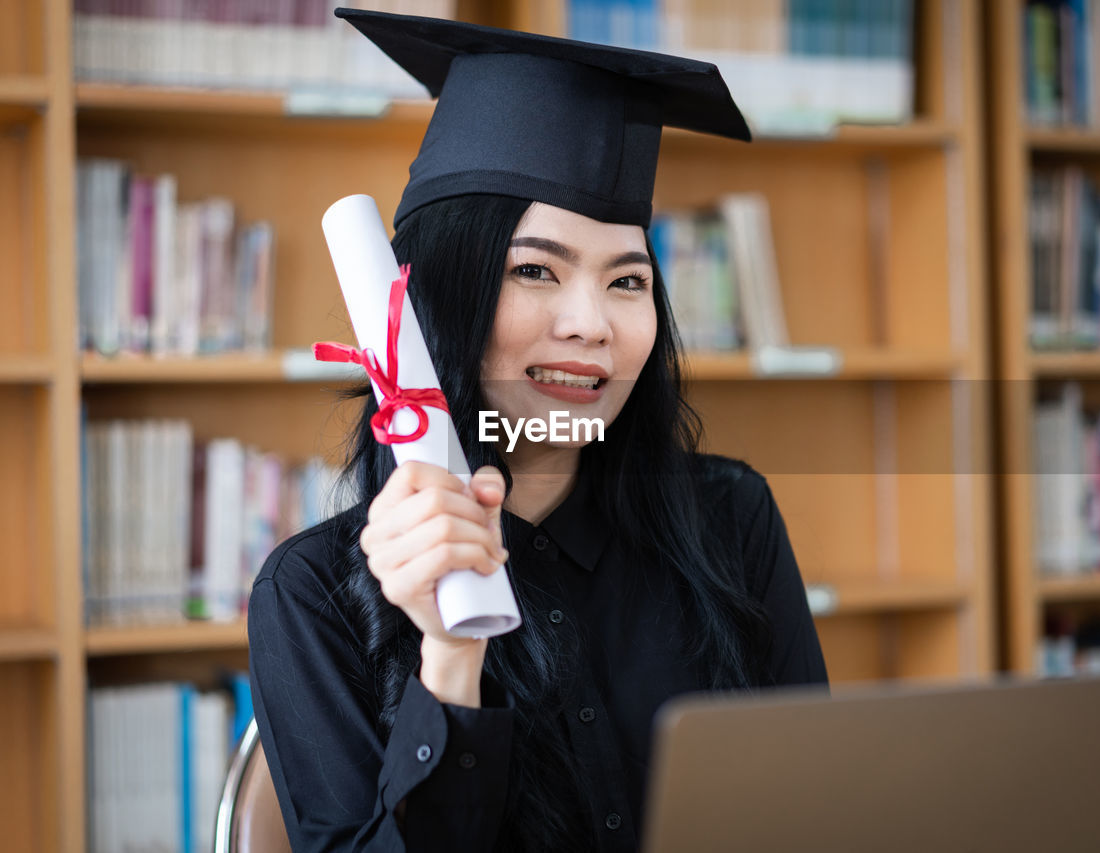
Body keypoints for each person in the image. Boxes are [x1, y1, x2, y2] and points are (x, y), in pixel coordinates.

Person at [248, 10, 828, 852]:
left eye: (627, 280)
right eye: (534, 270)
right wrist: (449, 654)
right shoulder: (312, 595)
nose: (591, 323)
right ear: (441, 299)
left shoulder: (731, 519)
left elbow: (816, 807)